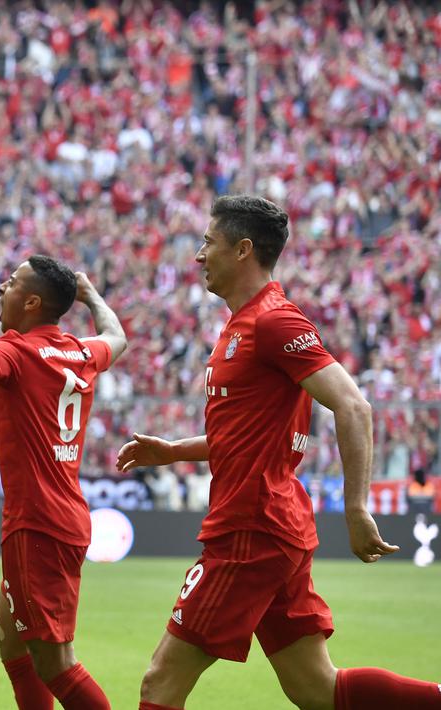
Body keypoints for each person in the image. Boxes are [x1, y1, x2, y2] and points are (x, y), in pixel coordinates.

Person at [116, 195, 441, 710]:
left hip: (250, 529)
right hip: (273, 520)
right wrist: (175, 451)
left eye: (208, 242)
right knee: (315, 687)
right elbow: (249, 435)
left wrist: (357, 508)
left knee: (160, 682)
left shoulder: (273, 322)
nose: (199, 255)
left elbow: (354, 406)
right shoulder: (241, 324)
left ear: (243, 250)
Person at [0, 257, 127, 709]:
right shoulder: (79, 351)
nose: (2, 289)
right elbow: (118, 337)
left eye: (12, 283)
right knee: (10, 642)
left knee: (55, 662)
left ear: (32, 302)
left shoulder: (18, 350)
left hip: (37, 525)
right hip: (62, 517)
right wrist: (91, 294)